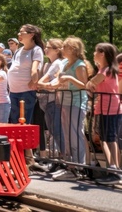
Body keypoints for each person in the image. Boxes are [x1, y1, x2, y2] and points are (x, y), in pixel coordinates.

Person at [49, 36, 88, 180]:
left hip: (76, 103)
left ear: (72, 49)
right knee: (67, 135)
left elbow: (84, 85)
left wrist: (70, 79)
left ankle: (78, 167)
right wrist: (48, 85)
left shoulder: (79, 65)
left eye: (65, 47)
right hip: (65, 102)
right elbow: (58, 80)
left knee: (75, 134)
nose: (62, 49)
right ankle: (70, 166)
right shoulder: (64, 62)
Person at [86, 43, 121, 185]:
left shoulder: (104, 71)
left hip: (109, 108)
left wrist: (90, 84)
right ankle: (113, 168)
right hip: (106, 107)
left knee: (110, 138)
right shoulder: (108, 69)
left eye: (96, 52)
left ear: (103, 54)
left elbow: (90, 85)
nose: (94, 54)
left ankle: (115, 171)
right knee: (106, 138)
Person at [8, 24, 44, 125]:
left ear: (31, 35)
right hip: (13, 92)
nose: (19, 34)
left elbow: (34, 69)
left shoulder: (36, 50)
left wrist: (34, 81)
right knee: (14, 122)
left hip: (26, 92)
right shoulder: (18, 51)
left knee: (24, 122)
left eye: (21, 32)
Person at [37, 38, 64, 161]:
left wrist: (43, 85)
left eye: (48, 47)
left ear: (57, 50)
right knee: (54, 132)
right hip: (48, 101)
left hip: (53, 101)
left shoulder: (58, 63)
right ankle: (60, 159)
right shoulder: (50, 63)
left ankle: (64, 160)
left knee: (57, 132)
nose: (45, 49)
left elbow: (48, 84)